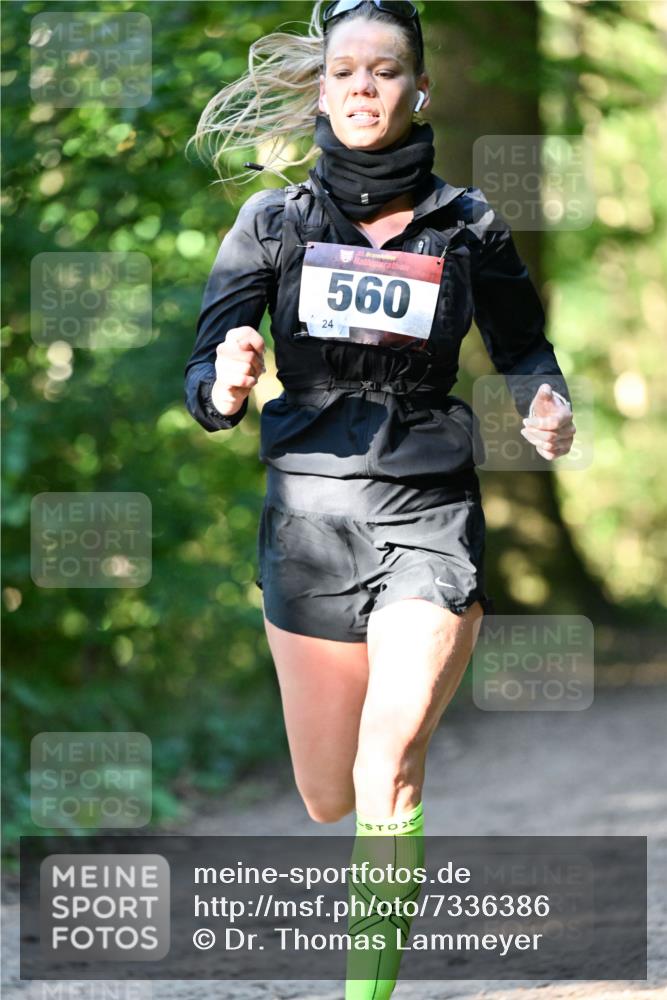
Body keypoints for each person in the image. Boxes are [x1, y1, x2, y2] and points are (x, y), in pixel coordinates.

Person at [184, 2, 577, 995]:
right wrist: (226, 383)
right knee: (330, 792)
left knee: (387, 761)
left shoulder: (467, 223)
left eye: (385, 69)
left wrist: (545, 401)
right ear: (322, 91)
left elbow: (525, 348)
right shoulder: (272, 223)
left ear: (419, 89)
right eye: (345, 70)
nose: (363, 85)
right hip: (310, 523)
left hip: (427, 510)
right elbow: (204, 374)